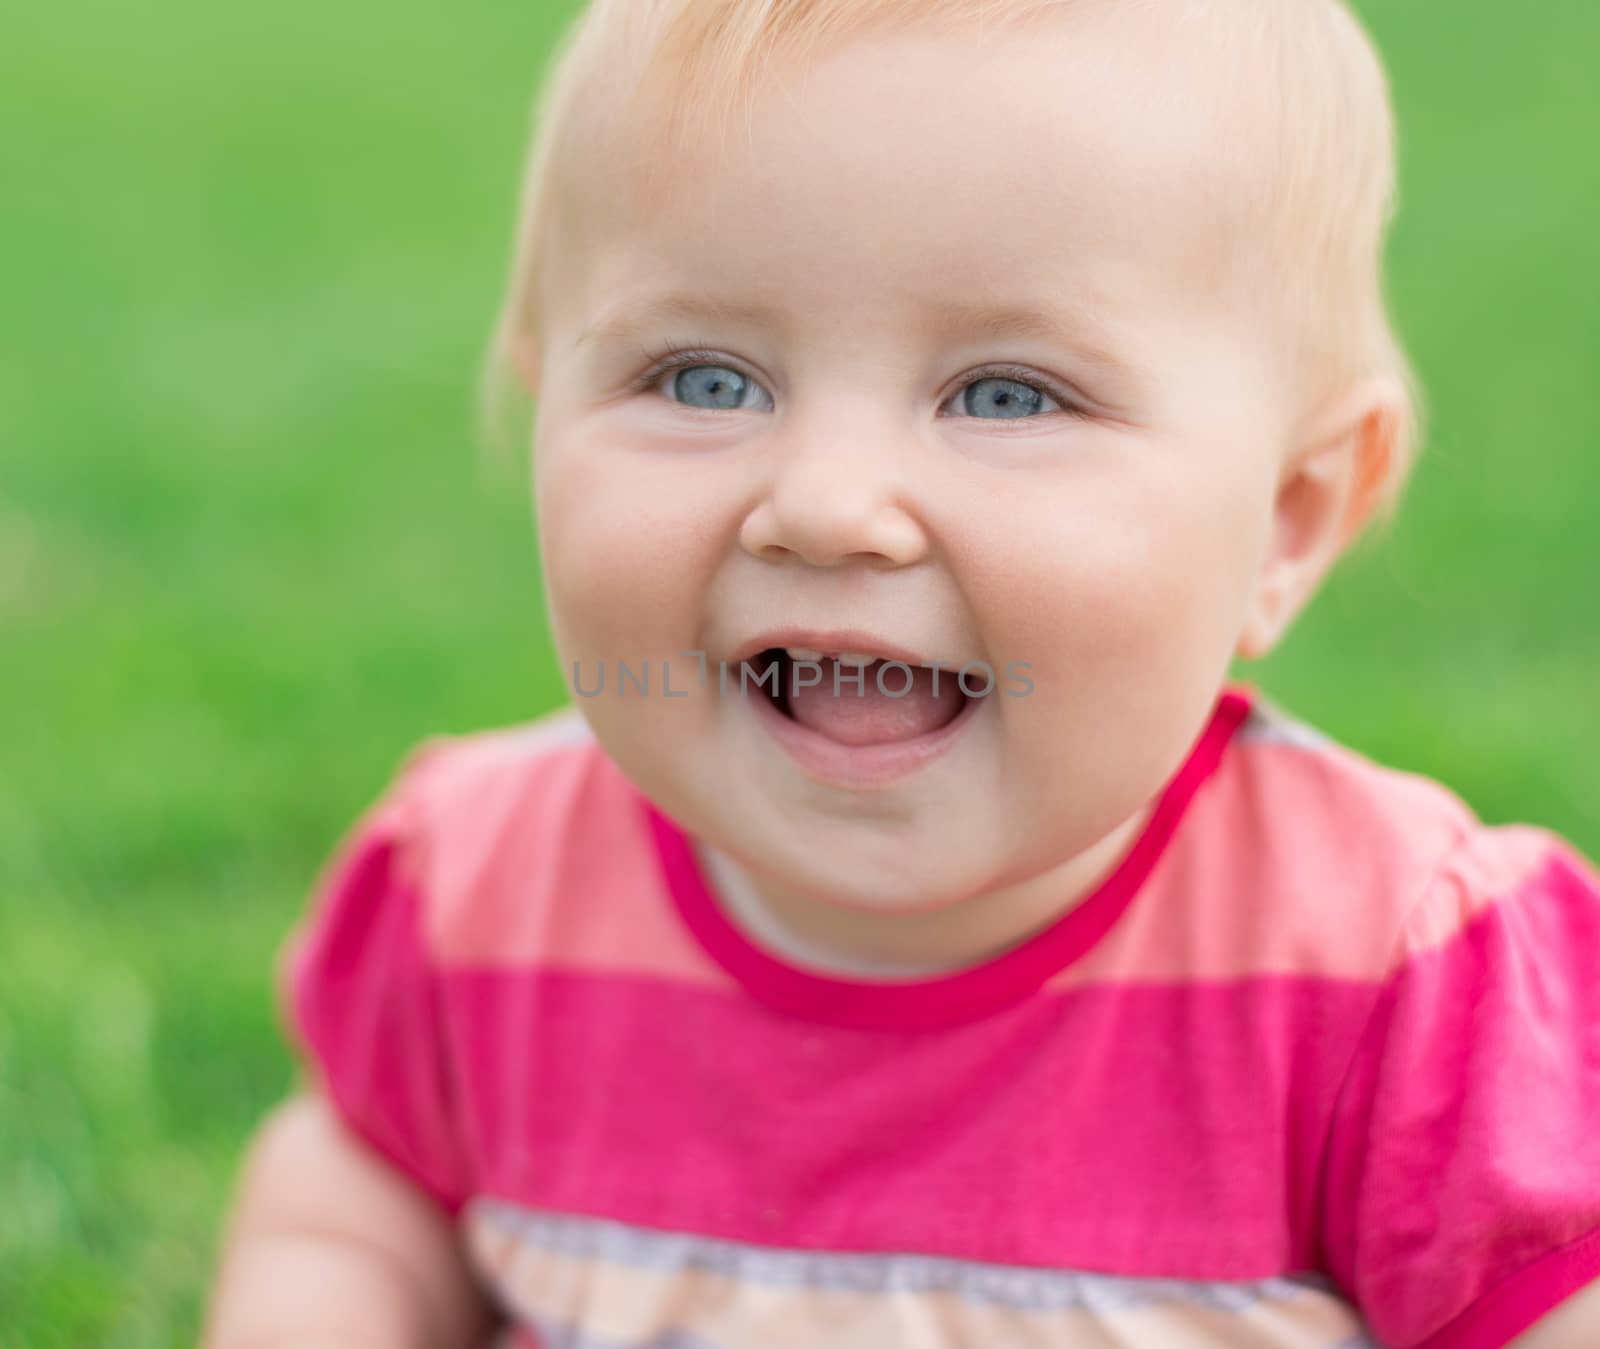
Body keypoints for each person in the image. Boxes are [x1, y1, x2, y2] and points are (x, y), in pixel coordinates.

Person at [201, 1, 1600, 1345]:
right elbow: (363, 1191)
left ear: (1285, 520)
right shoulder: (476, 892)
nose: (824, 502)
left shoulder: (1397, 978)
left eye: (1007, 395)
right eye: (702, 379)